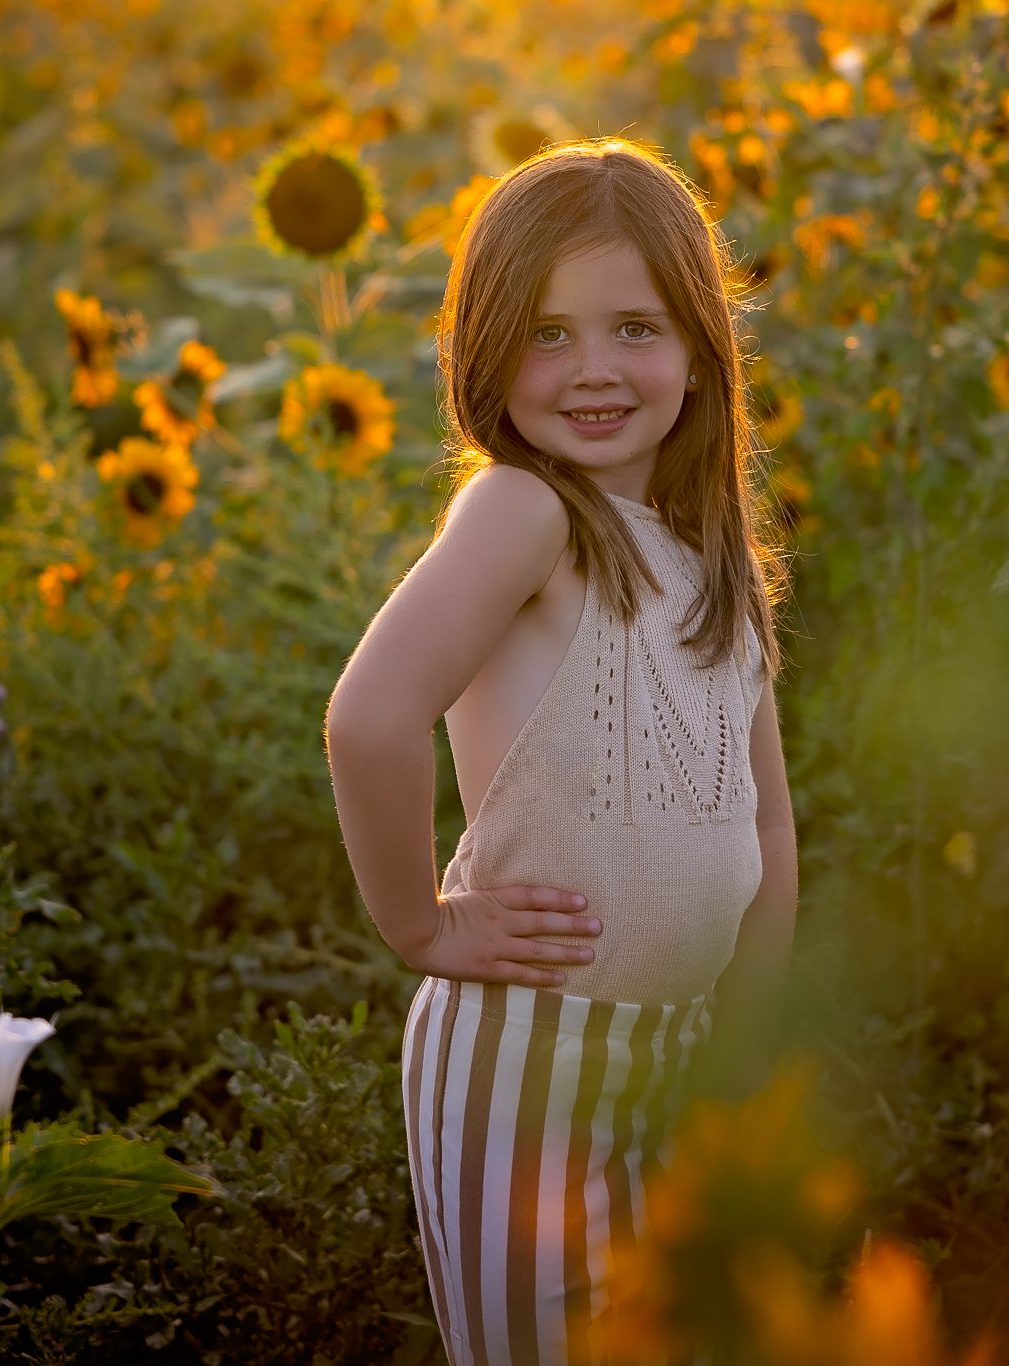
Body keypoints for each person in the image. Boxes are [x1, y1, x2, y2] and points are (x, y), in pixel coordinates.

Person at [324, 138, 797, 1366]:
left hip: (683, 1051)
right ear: (486, 350)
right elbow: (369, 718)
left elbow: (765, 824)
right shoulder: (524, 512)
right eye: (545, 334)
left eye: (634, 327)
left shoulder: (717, 562)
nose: (592, 369)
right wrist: (420, 927)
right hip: (527, 1061)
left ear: (699, 348)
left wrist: (745, 1034)